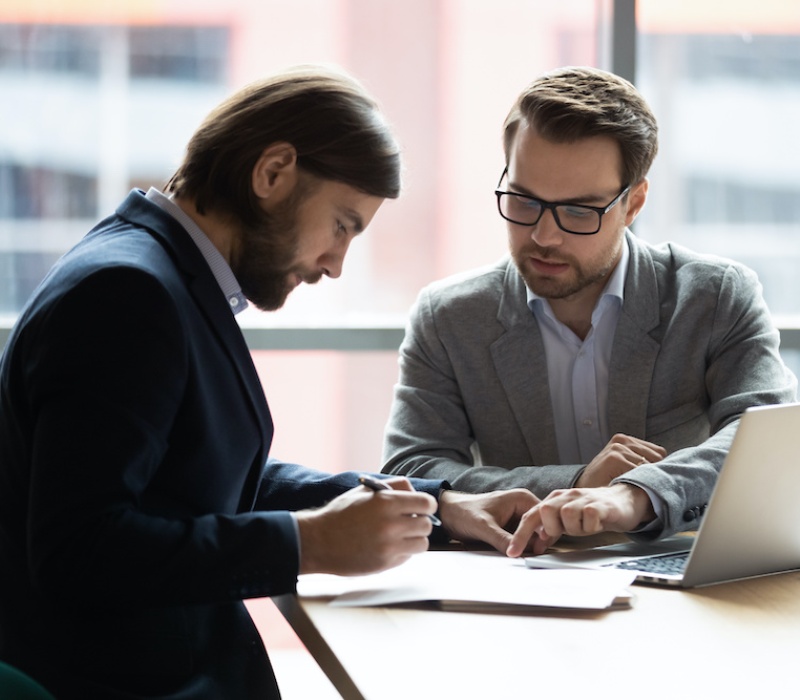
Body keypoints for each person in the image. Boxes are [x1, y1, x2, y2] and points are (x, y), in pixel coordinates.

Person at [0, 65, 542, 700]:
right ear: (272, 173)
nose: (336, 265)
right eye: (343, 225)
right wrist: (305, 543)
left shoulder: (158, 272)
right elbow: (79, 551)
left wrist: (434, 506)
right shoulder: (129, 293)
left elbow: (199, 478)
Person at [381, 66, 797, 557]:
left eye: (579, 211)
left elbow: (769, 444)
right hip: (521, 585)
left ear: (633, 203)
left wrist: (634, 495)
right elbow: (412, 470)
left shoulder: (713, 297)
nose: (543, 236)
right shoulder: (449, 317)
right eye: (523, 200)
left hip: (680, 580)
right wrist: (575, 481)